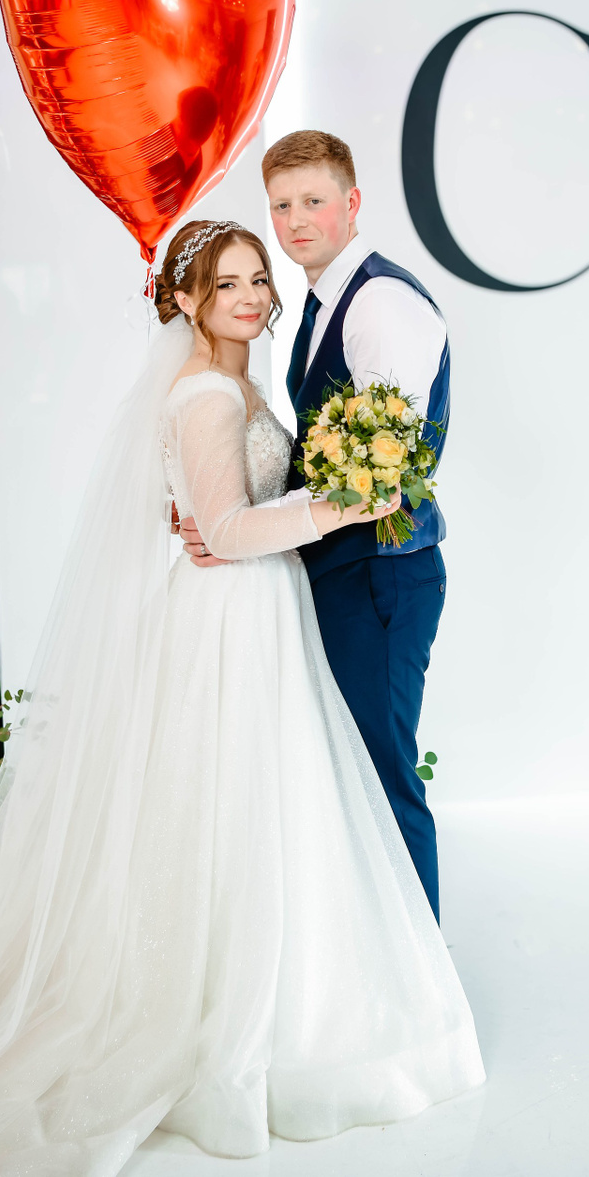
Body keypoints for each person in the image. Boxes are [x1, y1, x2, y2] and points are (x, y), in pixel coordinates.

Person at [0, 221, 483, 1175]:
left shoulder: (244, 384)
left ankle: (289, 975)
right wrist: (344, 503)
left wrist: (239, 510)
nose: (252, 296)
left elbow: (220, 512)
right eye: (228, 284)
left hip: (261, 611)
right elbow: (228, 531)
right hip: (228, 619)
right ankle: (226, 1003)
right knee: (228, 807)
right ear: (189, 301)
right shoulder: (206, 392)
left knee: (266, 806)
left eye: (259, 279)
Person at [179, 131, 451, 919]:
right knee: (343, 778)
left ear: (352, 202)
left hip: (380, 576)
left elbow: (380, 475)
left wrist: (235, 528)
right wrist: (217, 511)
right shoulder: (327, 300)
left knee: (381, 776)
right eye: (281, 205)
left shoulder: (380, 305)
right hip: (335, 574)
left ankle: (419, 968)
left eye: (313, 201)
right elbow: (316, 464)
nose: (295, 220)